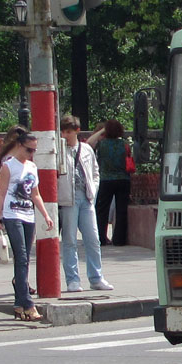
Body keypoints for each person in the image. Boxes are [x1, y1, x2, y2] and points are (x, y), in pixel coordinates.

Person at [0, 127, 53, 321]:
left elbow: (35, 194)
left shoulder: (32, 167)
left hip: (28, 214)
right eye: (29, 150)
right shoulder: (8, 166)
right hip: (12, 214)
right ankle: (28, 304)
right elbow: (1, 193)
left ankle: (19, 305)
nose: (31, 154)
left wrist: (46, 215)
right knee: (21, 257)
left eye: (34, 150)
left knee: (25, 258)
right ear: (19, 146)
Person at [57, 115, 113, 293]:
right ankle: (72, 280)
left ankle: (96, 278)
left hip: (86, 197)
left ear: (76, 131)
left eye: (68, 131)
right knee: (70, 240)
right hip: (68, 199)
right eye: (63, 131)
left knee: (93, 239)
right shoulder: (59, 150)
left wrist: (94, 190)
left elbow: (95, 171)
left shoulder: (86, 149)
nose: (65, 135)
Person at [88, 119, 133, 246]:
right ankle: (119, 240)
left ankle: (101, 238)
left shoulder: (102, 144)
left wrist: (103, 130)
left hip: (106, 179)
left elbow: (89, 142)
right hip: (123, 179)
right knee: (121, 210)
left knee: (102, 210)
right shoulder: (125, 144)